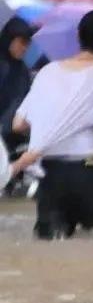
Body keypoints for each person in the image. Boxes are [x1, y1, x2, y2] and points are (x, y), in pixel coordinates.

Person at [9, 10, 93, 239]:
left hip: (49, 177)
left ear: (78, 35)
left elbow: (18, 125)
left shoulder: (47, 72)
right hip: (87, 172)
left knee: (51, 244)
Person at [1, 15, 35, 195]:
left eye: (27, 43)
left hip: (16, 135)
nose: (24, 48)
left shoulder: (22, 70)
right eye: (21, 42)